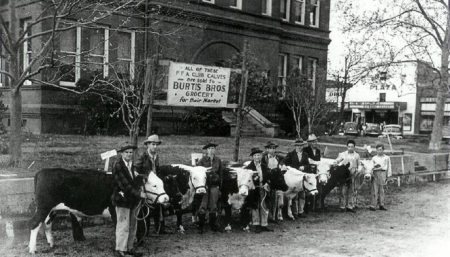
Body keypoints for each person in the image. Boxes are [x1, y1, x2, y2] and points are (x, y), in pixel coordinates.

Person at [111, 142, 145, 257]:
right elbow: (124, 185)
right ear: (121, 153)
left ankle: (129, 248)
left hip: (132, 200)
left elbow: (133, 181)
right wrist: (139, 194)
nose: (129, 154)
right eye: (127, 152)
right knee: (123, 226)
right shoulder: (118, 165)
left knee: (132, 225)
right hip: (122, 200)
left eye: (131, 152)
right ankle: (120, 250)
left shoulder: (131, 165)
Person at [134, 134, 162, 237]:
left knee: (156, 205)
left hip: (155, 185)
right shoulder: (143, 156)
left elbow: (157, 170)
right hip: (146, 185)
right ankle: (146, 231)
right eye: (153, 144)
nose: (155, 147)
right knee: (146, 207)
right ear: (148, 145)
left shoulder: (156, 156)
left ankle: (157, 229)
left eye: (156, 145)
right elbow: (136, 169)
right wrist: (144, 178)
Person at [195, 142, 223, 233]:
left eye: (213, 148)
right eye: (209, 149)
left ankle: (212, 225)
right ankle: (201, 225)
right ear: (206, 150)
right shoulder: (202, 160)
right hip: (205, 186)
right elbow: (197, 172)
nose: (211, 150)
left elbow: (221, 174)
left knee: (213, 206)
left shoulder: (218, 160)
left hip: (215, 186)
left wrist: (220, 186)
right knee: (203, 205)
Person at [245, 147, 273, 233]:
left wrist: (267, 183)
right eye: (255, 155)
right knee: (255, 206)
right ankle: (256, 224)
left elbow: (268, 177)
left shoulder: (264, 166)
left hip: (263, 189)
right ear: (253, 157)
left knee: (263, 205)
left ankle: (264, 224)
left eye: (259, 155)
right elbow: (247, 179)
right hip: (254, 189)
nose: (257, 157)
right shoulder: (249, 167)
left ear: (261, 156)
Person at [282, 138, 310, 218]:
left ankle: (301, 211)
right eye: (297, 146)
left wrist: (304, 167)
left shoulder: (305, 155)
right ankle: (295, 212)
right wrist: (283, 165)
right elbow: (284, 161)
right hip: (293, 177)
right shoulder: (291, 154)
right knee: (294, 196)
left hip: (301, 177)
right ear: (295, 146)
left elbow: (308, 165)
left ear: (303, 146)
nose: (299, 147)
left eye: (301, 146)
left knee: (302, 195)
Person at [334, 139, 360, 213]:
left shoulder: (357, 155)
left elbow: (359, 165)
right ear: (347, 147)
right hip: (344, 175)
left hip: (353, 174)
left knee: (352, 191)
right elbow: (338, 160)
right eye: (349, 146)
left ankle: (350, 206)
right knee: (343, 190)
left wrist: (358, 170)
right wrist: (336, 162)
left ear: (354, 147)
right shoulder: (342, 154)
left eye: (352, 147)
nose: (350, 148)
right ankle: (342, 206)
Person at [262, 141, 283, 222]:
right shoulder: (264, 158)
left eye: (274, 148)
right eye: (270, 148)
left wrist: (281, 164)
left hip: (275, 180)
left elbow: (285, 158)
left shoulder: (278, 157)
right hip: (267, 179)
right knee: (267, 198)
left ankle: (273, 216)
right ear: (267, 149)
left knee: (275, 198)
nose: (272, 150)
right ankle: (267, 216)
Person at [369, 144, 392, 211]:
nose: (380, 151)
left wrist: (388, 175)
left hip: (383, 173)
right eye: (378, 150)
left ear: (383, 150)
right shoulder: (374, 158)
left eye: (381, 149)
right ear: (376, 150)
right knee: (374, 190)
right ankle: (373, 205)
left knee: (382, 190)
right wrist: (371, 173)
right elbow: (371, 167)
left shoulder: (387, 158)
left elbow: (389, 166)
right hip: (376, 174)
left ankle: (381, 205)